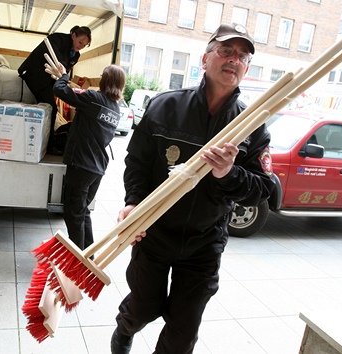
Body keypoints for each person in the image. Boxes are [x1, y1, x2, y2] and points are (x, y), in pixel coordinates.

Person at [110, 23, 276, 354]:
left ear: (247, 68)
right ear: (205, 59)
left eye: (243, 56)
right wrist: (134, 204)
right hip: (155, 231)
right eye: (226, 51)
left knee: (182, 335)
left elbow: (263, 189)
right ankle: (124, 332)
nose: (234, 59)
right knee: (142, 309)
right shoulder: (165, 106)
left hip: (205, 241)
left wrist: (227, 173)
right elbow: (138, 163)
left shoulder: (252, 127)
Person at [50, 63, 126, 250]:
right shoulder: (115, 109)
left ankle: (77, 261)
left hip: (81, 165)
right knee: (82, 212)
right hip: (97, 168)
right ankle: (87, 257)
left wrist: (64, 76)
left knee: (74, 214)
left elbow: (59, 90)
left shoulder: (93, 98)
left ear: (104, 80)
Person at [18, 25, 92, 155]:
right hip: (36, 76)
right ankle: (49, 145)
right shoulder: (57, 39)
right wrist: (62, 67)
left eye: (84, 45)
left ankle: (44, 141)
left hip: (49, 81)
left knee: (51, 108)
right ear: (73, 35)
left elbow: (65, 71)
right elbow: (55, 56)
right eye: (80, 42)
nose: (81, 46)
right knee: (51, 108)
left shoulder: (76, 55)